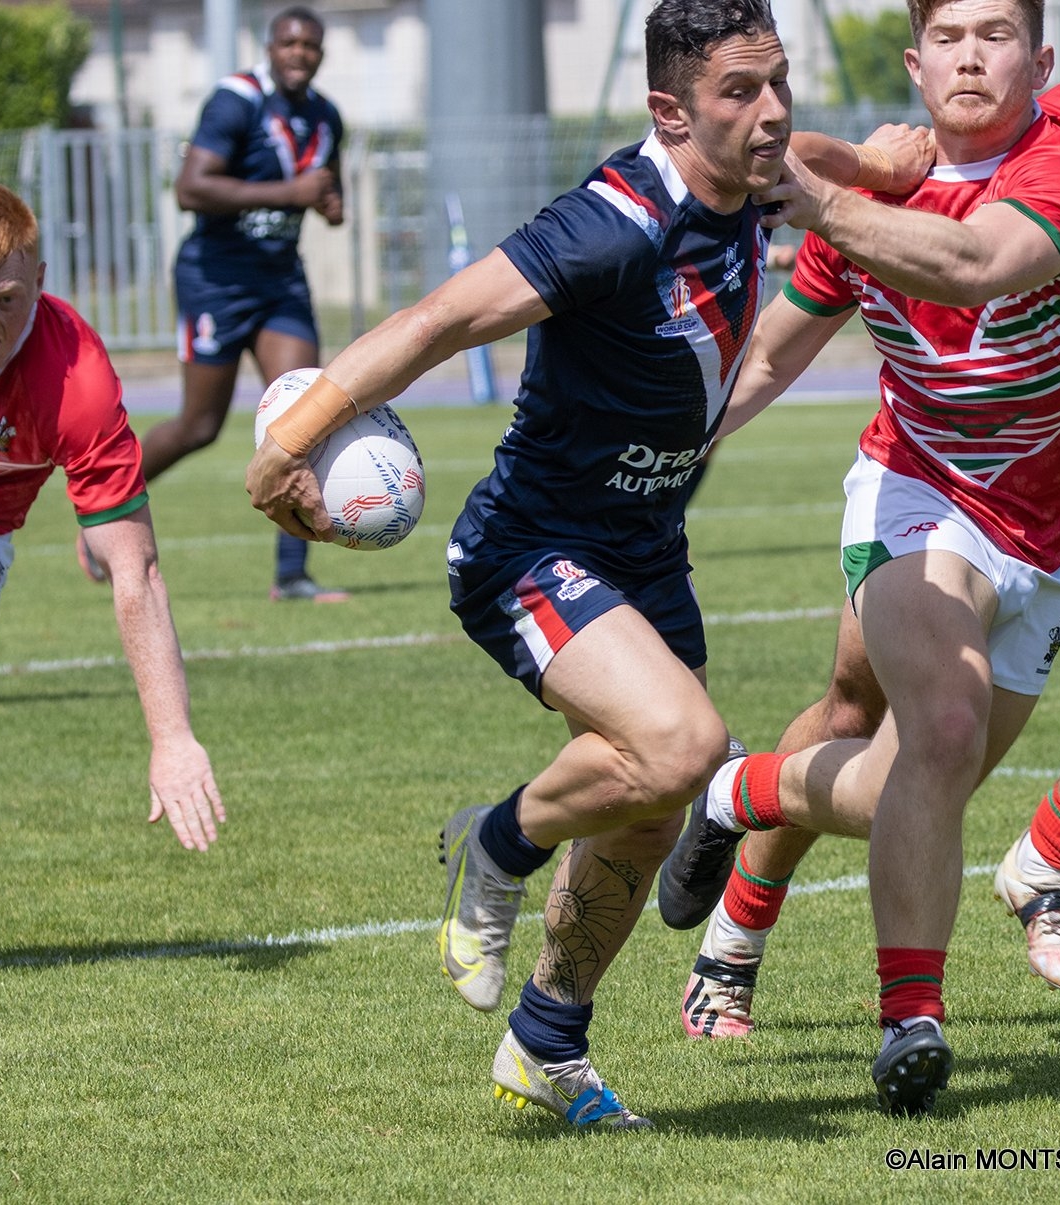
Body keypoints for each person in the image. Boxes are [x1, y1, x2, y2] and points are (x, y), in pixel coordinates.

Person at [244, 0, 929, 1130]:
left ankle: (547, 1041)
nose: (770, 112)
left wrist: (875, 164)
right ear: (671, 111)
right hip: (532, 546)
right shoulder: (611, 226)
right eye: (739, 91)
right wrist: (288, 444)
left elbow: (810, 152)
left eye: (777, 80)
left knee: (650, 809)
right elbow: (439, 319)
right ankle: (494, 841)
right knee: (685, 746)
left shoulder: (759, 168)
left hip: (645, 545)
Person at [665, 0, 1060, 1041]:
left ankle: (1037, 864)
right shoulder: (1047, 139)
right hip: (931, 478)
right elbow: (827, 272)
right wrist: (858, 170)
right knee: (863, 716)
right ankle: (746, 934)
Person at [660, 0, 1060, 1115]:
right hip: (915, 493)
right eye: (950, 38)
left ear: (1041, 60)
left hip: (1054, 531)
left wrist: (833, 190)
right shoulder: (865, 205)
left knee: (904, 779)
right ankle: (909, 1019)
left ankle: (736, 789)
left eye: (996, 35)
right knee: (947, 725)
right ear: (917, 66)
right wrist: (662, 451)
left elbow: (972, 261)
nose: (972, 57)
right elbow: (765, 360)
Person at [0, 173, 225, 852]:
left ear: (40, 280)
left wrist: (173, 738)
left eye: (5, 300)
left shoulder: (73, 379)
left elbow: (135, 572)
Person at [122, 5, 348, 602]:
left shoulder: (326, 116)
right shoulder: (236, 100)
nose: (299, 53)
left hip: (280, 282)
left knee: (304, 419)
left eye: (310, 46)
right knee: (199, 426)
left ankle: (292, 575)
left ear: (321, 55)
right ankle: (103, 503)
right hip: (216, 281)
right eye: (289, 43)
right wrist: (291, 192)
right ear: (269, 48)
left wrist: (329, 205)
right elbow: (191, 188)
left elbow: (329, 191)